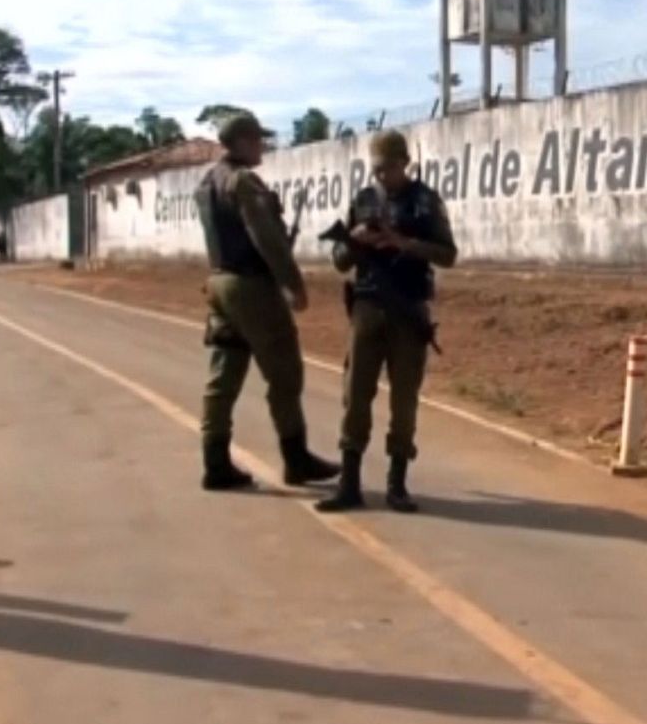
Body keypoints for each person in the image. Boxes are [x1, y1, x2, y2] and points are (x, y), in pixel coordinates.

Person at [194, 114, 340, 491]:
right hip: (251, 286)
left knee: (223, 376)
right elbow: (266, 238)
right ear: (241, 141)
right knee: (285, 373)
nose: (263, 145)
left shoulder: (207, 183)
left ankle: (215, 462)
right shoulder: (242, 181)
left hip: (219, 282)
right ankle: (296, 459)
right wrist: (293, 283)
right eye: (258, 139)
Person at [316, 130, 457, 513]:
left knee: (404, 398)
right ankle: (349, 483)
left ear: (404, 163)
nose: (382, 176)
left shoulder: (425, 202)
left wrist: (403, 243)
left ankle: (397, 483)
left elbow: (448, 255)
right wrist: (356, 241)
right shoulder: (363, 201)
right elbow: (339, 260)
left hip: (407, 310)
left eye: (390, 168)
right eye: (377, 169)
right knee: (355, 394)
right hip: (366, 306)